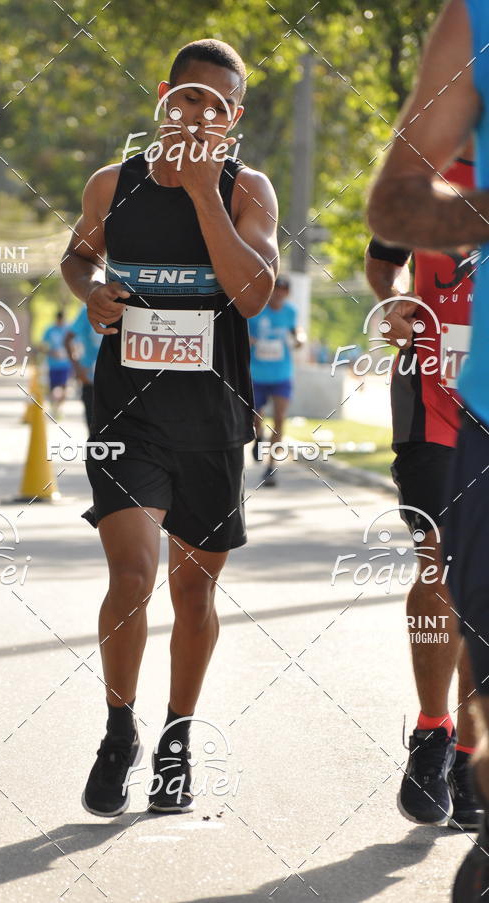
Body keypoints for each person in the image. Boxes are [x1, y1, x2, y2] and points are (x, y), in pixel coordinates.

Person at [60, 39, 279, 817]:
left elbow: (253, 293)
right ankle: (119, 727)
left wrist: (202, 196)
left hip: (213, 419)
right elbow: (77, 256)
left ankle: (177, 737)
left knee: (193, 591)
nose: (197, 114)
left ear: (234, 120)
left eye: (215, 106)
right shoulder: (110, 183)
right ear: (163, 97)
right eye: (187, 98)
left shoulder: (247, 188)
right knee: (132, 575)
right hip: (128, 414)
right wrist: (91, 290)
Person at [367, 0, 489, 894]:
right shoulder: (434, 159)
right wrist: (398, 303)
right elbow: (383, 251)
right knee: (439, 559)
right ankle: (435, 728)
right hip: (439, 387)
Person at [249, 274, 303, 487]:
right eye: (275, 290)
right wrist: (251, 341)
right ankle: (258, 436)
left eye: (283, 291)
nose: (279, 294)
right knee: (257, 417)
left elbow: (296, 331)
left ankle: (271, 467)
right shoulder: (256, 311)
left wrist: (300, 339)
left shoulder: (291, 312)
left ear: (287, 293)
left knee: (280, 418)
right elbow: (243, 336)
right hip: (257, 374)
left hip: (282, 374)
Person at [64, 304, 102, 433]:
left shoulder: (123, 308)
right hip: (90, 379)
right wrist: (78, 369)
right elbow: (67, 339)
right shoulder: (87, 310)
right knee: (93, 428)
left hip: (117, 381)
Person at [42, 310, 72, 418]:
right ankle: (53, 406)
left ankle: (59, 408)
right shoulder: (50, 330)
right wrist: (51, 352)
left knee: (64, 388)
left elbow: (76, 345)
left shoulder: (68, 330)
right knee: (53, 388)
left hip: (66, 365)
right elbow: (43, 347)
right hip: (53, 364)